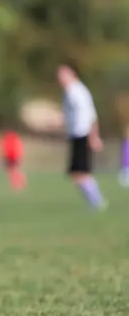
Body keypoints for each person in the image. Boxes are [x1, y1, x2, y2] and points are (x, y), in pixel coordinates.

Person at [57, 63, 107, 210]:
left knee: (81, 172)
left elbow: (90, 115)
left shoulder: (78, 92)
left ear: (73, 74)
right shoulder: (68, 92)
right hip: (75, 135)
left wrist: (94, 136)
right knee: (77, 173)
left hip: (83, 134)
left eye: (63, 74)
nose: (60, 78)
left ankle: (97, 202)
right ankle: (95, 202)